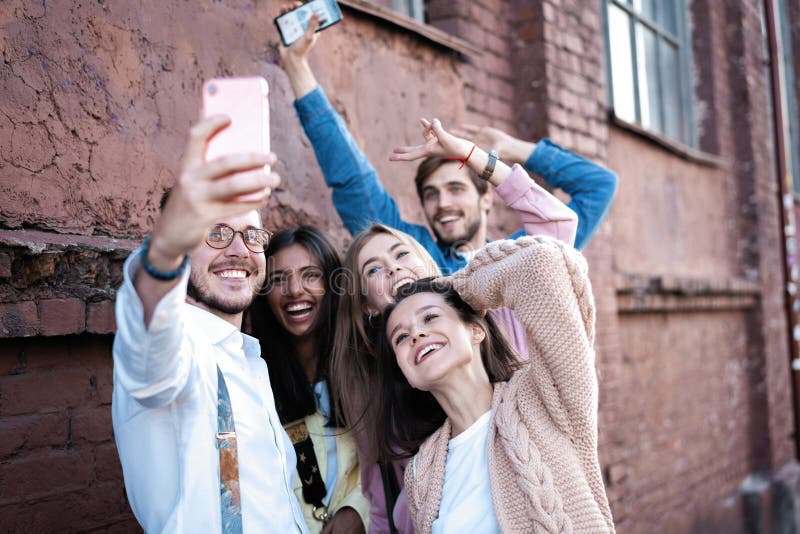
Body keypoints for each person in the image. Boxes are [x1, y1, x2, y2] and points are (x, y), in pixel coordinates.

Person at [280, 12, 617, 276]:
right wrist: (297, 67)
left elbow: (598, 186)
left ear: (487, 198)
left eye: (455, 188)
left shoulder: (523, 254)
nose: (442, 203)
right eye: (431, 193)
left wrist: (512, 149)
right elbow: (352, 177)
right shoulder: (412, 253)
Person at [111, 115, 308, 533]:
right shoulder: (177, 352)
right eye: (215, 233)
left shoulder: (249, 358)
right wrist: (163, 250)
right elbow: (149, 351)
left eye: (251, 236)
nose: (238, 250)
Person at [375, 236, 615, 533]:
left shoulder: (541, 397)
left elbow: (540, 262)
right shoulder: (420, 472)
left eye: (430, 317)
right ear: (404, 372)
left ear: (476, 330)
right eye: (400, 337)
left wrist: (459, 288)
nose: (416, 334)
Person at [247, 226, 370, 533]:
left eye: (310, 275)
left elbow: (399, 459)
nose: (294, 290)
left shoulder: (368, 365)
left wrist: (357, 510)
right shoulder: (253, 377)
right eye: (277, 279)